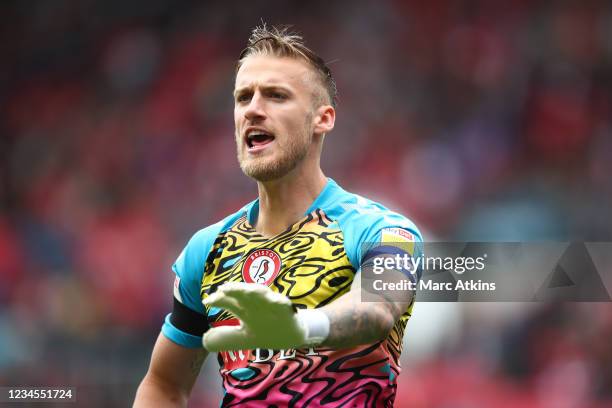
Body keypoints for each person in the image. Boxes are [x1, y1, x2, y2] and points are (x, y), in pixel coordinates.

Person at [134, 24, 422, 408]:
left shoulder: (382, 230)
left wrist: (299, 327)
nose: (253, 109)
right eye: (243, 97)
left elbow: (377, 310)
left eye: (275, 96)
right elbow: (164, 384)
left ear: (323, 118)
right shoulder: (207, 250)